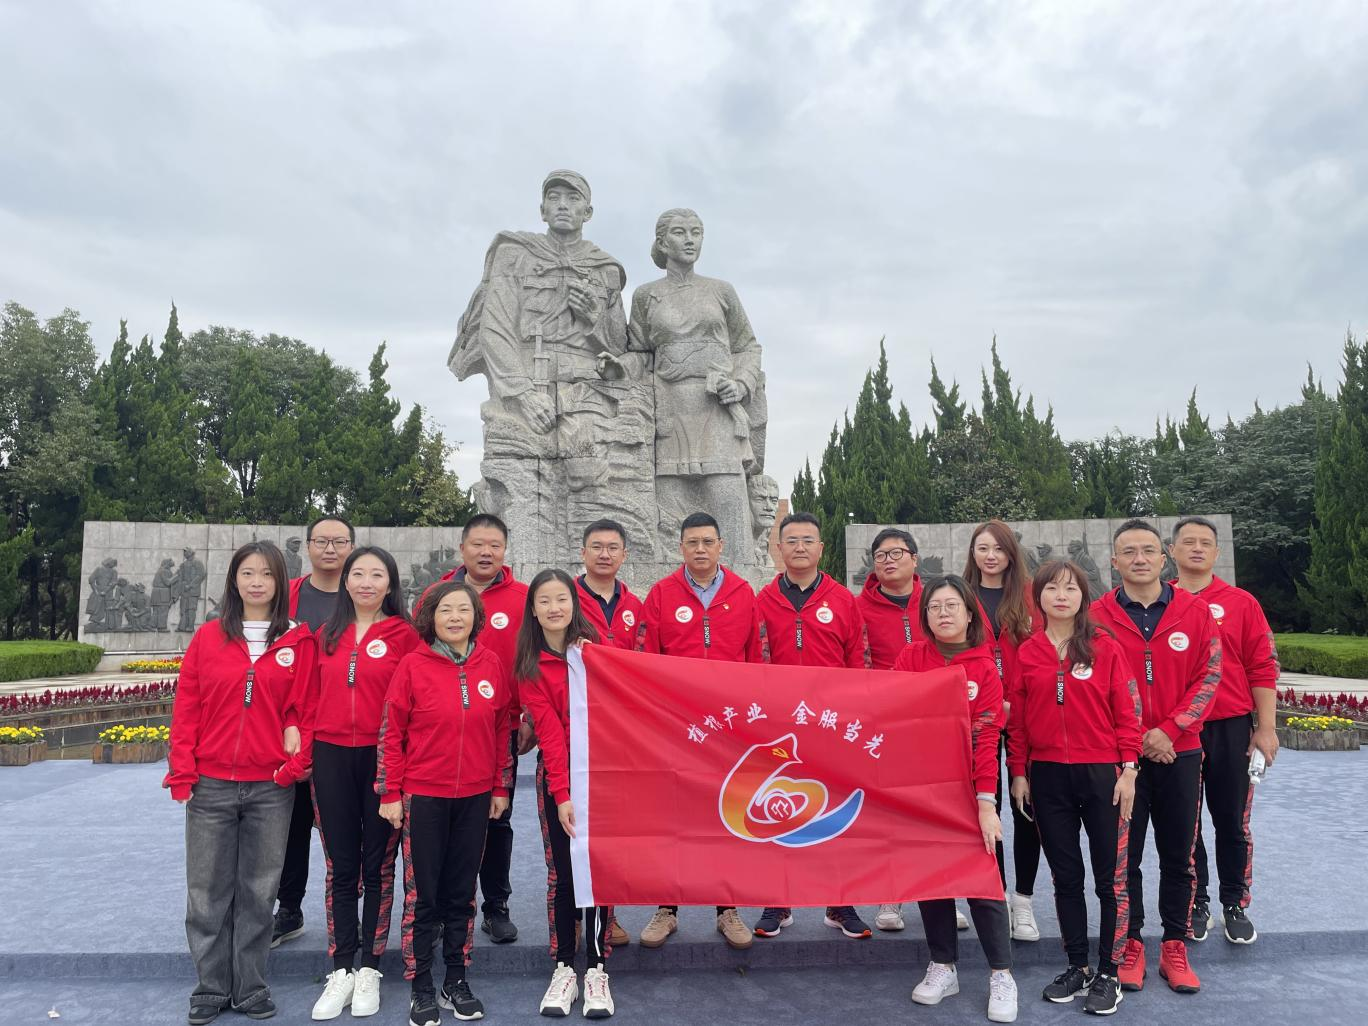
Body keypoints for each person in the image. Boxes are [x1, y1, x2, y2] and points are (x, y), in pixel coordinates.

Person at [163, 541, 317, 1026]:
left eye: (266, 574)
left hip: (270, 786)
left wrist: (293, 759)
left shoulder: (297, 641)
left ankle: (250, 986)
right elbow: (188, 706)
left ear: (280, 582)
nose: (256, 582)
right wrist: (183, 769)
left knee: (258, 891)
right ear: (234, 580)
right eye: (247, 573)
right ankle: (210, 987)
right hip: (211, 784)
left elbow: (305, 708)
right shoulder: (209, 637)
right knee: (206, 892)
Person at [374, 580, 514, 1026]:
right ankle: (420, 986)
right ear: (430, 617)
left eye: (464, 609)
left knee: (462, 893)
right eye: (445, 610)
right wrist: (390, 792)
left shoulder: (490, 664)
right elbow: (391, 732)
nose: (455, 617)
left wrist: (499, 785)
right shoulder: (413, 665)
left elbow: (500, 730)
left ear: (476, 617)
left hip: (474, 797)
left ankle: (456, 979)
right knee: (423, 897)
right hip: (424, 797)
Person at [1008, 561, 1143, 1015]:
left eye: (1070, 588)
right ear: (1039, 597)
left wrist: (1129, 769)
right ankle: (1078, 965)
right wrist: (1019, 772)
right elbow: (1018, 721)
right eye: (1052, 589)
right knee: (1066, 878)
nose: (1061, 596)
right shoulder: (1028, 652)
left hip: (1103, 774)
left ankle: (1110, 971)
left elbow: (1127, 711)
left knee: (1110, 879)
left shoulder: (1104, 646)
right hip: (1047, 777)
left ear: (1083, 596)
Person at [1092, 519, 1220, 995]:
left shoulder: (1194, 611)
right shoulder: (1097, 616)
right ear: (1114, 561)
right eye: (1129, 551)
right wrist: (1135, 739)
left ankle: (1174, 943)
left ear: (1163, 558)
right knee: (1124, 858)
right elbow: (1093, 685)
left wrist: (1169, 729)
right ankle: (1131, 943)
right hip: (1121, 760)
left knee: (1179, 854)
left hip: (1180, 752)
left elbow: (1211, 675)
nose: (1139, 559)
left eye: (1147, 550)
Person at [303, 547, 421, 1021]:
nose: (366, 582)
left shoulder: (405, 636)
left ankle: (370, 966)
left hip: (383, 758)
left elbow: (414, 705)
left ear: (390, 584)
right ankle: (341, 968)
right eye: (358, 574)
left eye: (377, 574)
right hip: (330, 757)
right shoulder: (324, 635)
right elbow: (307, 698)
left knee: (378, 865)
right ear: (346, 582)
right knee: (341, 866)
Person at [892, 575, 1016, 1023]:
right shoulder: (910, 658)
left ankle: (1002, 974)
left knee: (982, 877)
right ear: (924, 616)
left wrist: (986, 803)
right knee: (932, 879)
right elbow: (890, 716)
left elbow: (987, 739)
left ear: (969, 613)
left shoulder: (984, 667)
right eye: (934, 607)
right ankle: (943, 965)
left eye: (951, 606)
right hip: (922, 790)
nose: (943, 614)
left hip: (968, 791)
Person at [637, 512, 759, 951]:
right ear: (681, 548)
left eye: (708, 541)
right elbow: (646, 660)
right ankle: (666, 909)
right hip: (678, 727)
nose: (701, 549)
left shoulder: (743, 594)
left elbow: (756, 661)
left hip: (728, 729)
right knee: (673, 819)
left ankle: (727, 908)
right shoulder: (661, 594)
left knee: (725, 817)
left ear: (721, 545)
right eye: (693, 542)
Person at [752, 512, 872, 941]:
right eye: (791, 540)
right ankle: (776, 900)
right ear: (778, 548)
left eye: (808, 540)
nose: (799, 547)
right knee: (775, 809)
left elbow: (859, 661)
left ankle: (840, 902)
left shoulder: (843, 601)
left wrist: (854, 715)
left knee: (836, 813)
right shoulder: (762, 601)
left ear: (821, 548)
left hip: (830, 725)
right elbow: (753, 662)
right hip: (780, 727)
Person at [628, 207, 767, 557]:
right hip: (669, 408)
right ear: (662, 242)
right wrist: (618, 366)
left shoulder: (721, 291)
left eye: (696, 232)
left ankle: (739, 578)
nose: (690, 240)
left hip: (717, 408)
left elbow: (748, 347)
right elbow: (640, 354)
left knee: (728, 501)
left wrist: (741, 383)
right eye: (680, 232)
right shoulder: (646, 295)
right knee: (669, 511)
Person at [420, 513, 530, 944]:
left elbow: (534, 660)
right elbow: (418, 656)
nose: (486, 553)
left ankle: (496, 906)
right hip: (441, 731)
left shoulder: (523, 598)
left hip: (501, 726)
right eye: (478, 545)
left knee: (497, 819)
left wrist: (527, 715)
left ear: (505, 550)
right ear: (462, 548)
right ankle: (442, 910)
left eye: (495, 545)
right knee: (444, 823)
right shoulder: (435, 595)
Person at [1168, 516, 1278, 945]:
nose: (1197, 548)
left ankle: (1235, 902)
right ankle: (1196, 902)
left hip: (1231, 727)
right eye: (1188, 542)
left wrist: (1265, 728)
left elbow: (1262, 666)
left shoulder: (1241, 603)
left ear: (1217, 552)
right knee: (1184, 824)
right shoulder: (1161, 603)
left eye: (1205, 543)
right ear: (1172, 551)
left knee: (1232, 821)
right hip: (1178, 731)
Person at [518, 569, 618, 1018]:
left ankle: (596, 968)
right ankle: (563, 968)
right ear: (533, 610)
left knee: (596, 872)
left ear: (574, 604)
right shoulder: (530, 666)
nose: (554, 608)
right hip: (559, 777)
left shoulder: (595, 652)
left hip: (601, 775)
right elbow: (551, 736)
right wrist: (561, 794)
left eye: (562, 599)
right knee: (562, 873)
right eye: (544, 600)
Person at [272, 515, 355, 950]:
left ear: (351, 547)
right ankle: (289, 909)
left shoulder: (363, 595)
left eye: (339, 541)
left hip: (344, 734)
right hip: (289, 730)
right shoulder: (285, 597)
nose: (330, 549)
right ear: (307, 546)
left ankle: (353, 917)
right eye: (321, 541)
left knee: (346, 830)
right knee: (292, 824)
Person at [963, 520, 1042, 941]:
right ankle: (994, 893)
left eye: (998, 548)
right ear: (973, 553)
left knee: (1027, 807)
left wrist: (1014, 698)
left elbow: (1044, 651)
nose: (990, 556)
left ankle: (1023, 900)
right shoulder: (961, 595)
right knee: (983, 804)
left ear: (1011, 554)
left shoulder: (1031, 596)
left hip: (1026, 713)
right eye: (983, 548)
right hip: (977, 716)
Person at [576, 519, 646, 651]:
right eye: (597, 547)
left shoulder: (635, 606)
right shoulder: (566, 600)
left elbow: (642, 654)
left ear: (624, 555)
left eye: (613, 548)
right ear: (583, 553)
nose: (604, 555)